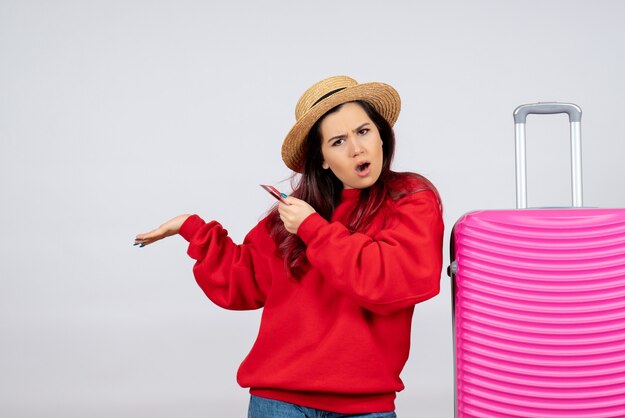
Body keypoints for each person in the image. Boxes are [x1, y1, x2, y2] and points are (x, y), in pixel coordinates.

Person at [135, 75, 444, 417]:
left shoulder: (409, 198)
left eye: (364, 131)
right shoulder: (295, 212)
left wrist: (313, 229)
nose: (357, 148)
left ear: (382, 135)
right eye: (338, 141)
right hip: (278, 402)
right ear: (323, 158)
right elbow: (245, 282)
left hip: (364, 406)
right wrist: (192, 229)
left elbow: (392, 280)